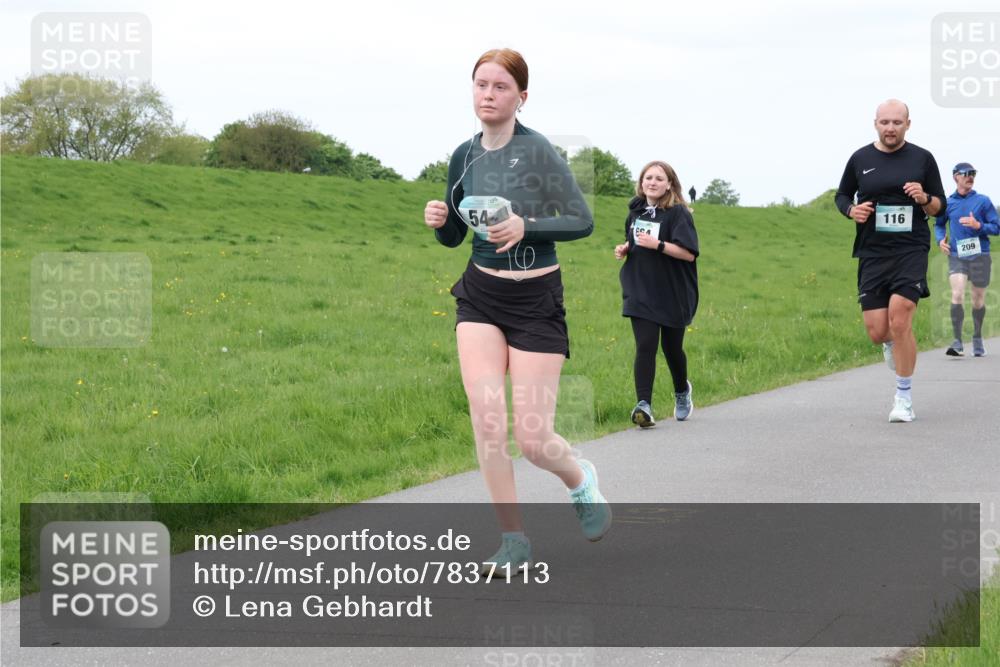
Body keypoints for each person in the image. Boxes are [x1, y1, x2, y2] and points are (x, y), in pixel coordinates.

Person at [423, 48, 611, 574]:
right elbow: (456, 234)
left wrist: (529, 226)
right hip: (480, 295)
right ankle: (513, 539)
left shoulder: (538, 152)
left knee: (532, 439)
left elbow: (581, 220)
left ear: (520, 97)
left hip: (535, 301)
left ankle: (579, 481)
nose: (488, 94)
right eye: (480, 84)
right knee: (487, 421)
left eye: (500, 86)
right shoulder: (463, 155)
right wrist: (440, 220)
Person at [834, 99, 946, 423]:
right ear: (875, 124)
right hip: (872, 252)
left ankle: (904, 397)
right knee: (878, 330)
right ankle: (892, 345)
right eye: (885, 122)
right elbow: (842, 196)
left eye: (897, 122)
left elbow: (940, 205)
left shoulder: (922, 159)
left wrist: (924, 198)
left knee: (900, 319)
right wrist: (851, 211)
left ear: (908, 125)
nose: (891, 128)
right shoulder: (860, 159)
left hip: (910, 249)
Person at [614, 161, 699, 427]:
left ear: (669, 184)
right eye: (647, 177)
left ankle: (682, 392)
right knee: (646, 346)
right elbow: (637, 240)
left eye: (659, 178)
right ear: (641, 183)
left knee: (672, 349)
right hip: (640, 289)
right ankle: (644, 406)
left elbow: (688, 253)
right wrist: (626, 248)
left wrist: (659, 245)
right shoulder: (635, 212)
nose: (652, 182)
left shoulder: (678, 214)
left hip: (673, 291)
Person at [935, 162, 999, 357]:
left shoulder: (983, 201)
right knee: (957, 294)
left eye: (973, 173)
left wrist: (978, 225)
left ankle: (977, 338)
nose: (970, 177)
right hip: (957, 255)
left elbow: (997, 227)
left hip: (980, 254)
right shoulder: (948, 203)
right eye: (966, 173)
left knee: (978, 300)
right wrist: (940, 240)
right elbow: (938, 225)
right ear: (956, 176)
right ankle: (957, 342)